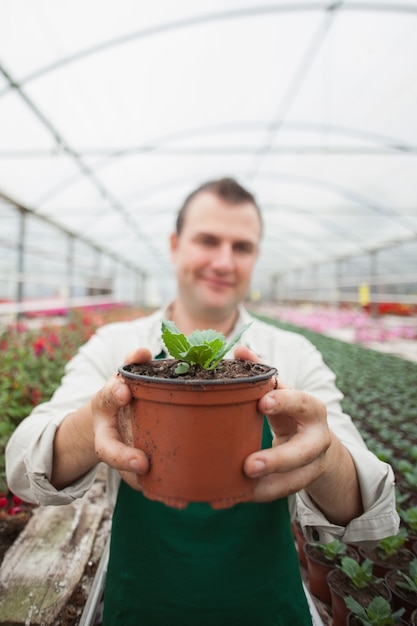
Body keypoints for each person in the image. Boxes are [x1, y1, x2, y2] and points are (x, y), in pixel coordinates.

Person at [6, 177, 399, 625]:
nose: (224, 261)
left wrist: (325, 456)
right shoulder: (118, 346)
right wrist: (95, 422)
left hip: (266, 607)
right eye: (208, 240)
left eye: (242, 247)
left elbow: (372, 511)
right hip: (141, 605)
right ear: (174, 246)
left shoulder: (290, 355)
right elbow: (22, 465)